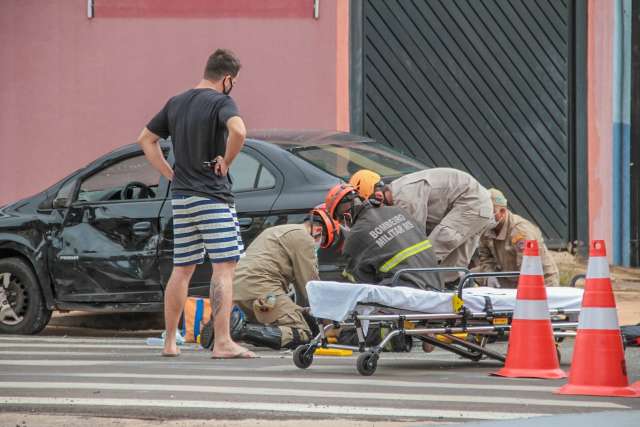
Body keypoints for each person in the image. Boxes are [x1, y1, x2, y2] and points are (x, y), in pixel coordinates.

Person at [137, 49, 255, 359]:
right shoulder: (221, 102)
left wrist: (168, 173)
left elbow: (145, 139)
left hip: (182, 197)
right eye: (235, 82)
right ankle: (223, 342)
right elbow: (239, 131)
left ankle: (170, 343)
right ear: (227, 79)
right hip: (212, 196)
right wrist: (227, 161)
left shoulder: (176, 102)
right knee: (224, 267)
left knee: (182, 269)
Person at [350, 168, 493, 284]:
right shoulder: (399, 192)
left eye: (374, 206)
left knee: (426, 255)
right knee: (450, 269)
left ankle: (424, 291)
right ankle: (444, 294)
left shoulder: (404, 198)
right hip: (478, 204)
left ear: (379, 196)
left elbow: (414, 238)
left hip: (471, 202)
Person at [319, 183, 442, 291]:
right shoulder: (397, 211)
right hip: (437, 284)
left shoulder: (356, 236)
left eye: (339, 219)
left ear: (344, 214)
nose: (342, 223)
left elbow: (358, 284)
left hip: (406, 294)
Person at [223, 220, 321, 350]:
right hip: (262, 289)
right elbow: (310, 284)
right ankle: (241, 330)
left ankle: (224, 328)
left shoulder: (275, 230)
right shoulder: (305, 238)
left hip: (239, 287)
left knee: (273, 325)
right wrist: (328, 316)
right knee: (302, 332)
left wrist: (302, 311)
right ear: (319, 231)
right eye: (323, 242)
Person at [473, 188, 560, 288]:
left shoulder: (520, 231)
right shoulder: (487, 227)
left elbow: (528, 265)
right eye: (484, 211)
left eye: (490, 211)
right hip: (509, 275)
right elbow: (485, 256)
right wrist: (490, 275)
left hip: (539, 280)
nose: (486, 215)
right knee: (469, 276)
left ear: (502, 211)